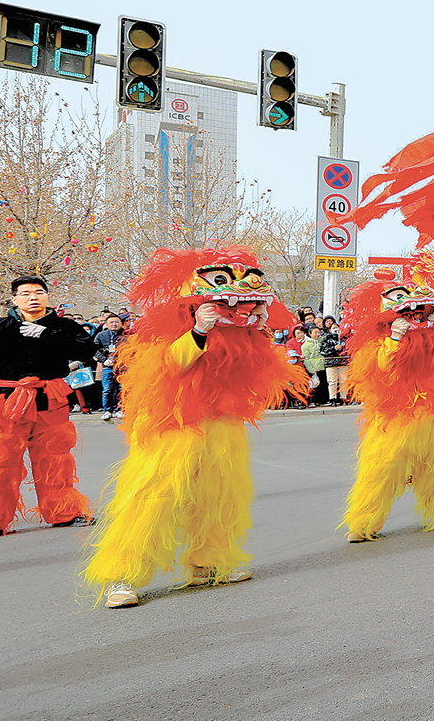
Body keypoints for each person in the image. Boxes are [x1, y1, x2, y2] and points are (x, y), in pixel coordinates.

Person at [84, 249, 307, 607]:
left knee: (218, 496)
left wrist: (260, 328)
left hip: (223, 422)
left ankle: (209, 563)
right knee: (153, 499)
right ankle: (121, 575)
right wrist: (199, 330)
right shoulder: (163, 330)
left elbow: (256, 373)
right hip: (174, 425)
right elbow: (170, 367)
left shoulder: (244, 334)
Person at [341, 268, 434, 542]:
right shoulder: (379, 341)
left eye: (421, 310)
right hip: (395, 416)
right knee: (383, 467)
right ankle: (364, 521)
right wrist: (394, 339)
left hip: (433, 412)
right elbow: (381, 367)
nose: (416, 315)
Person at [0, 275, 99, 537]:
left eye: (38, 292)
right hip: (5, 400)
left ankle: (64, 513)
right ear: (14, 299)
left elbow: (89, 351)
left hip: (50, 399)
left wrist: (50, 335)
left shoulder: (65, 326)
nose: (32, 297)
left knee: (55, 459)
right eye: (25, 293)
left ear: (47, 296)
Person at [94, 314, 126, 422]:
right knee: (107, 389)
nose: (114, 324)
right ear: (107, 324)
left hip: (123, 366)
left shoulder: (127, 334)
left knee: (122, 389)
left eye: (116, 322)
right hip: (108, 367)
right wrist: (103, 360)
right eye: (111, 322)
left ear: (121, 323)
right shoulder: (101, 335)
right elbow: (94, 349)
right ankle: (107, 410)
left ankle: (121, 409)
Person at [320, 315, 350, 405]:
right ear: (329, 329)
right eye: (333, 328)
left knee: (343, 381)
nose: (335, 329)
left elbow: (348, 349)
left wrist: (343, 349)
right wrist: (334, 349)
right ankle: (332, 398)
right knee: (332, 381)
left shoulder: (343, 338)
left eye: (337, 328)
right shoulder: (325, 339)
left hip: (343, 362)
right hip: (331, 363)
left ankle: (343, 397)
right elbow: (322, 351)